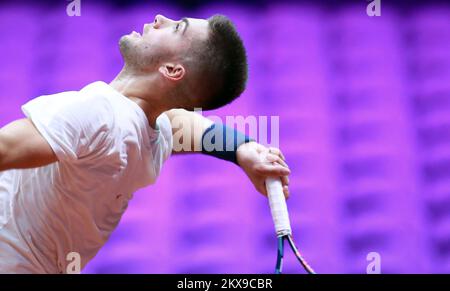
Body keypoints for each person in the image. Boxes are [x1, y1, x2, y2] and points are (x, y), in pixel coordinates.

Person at [0, 14, 290, 273]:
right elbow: (182, 125)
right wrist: (242, 148)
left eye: (177, 28)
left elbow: (5, 151)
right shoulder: (150, 133)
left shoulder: (99, 113)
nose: (159, 18)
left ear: (172, 70)